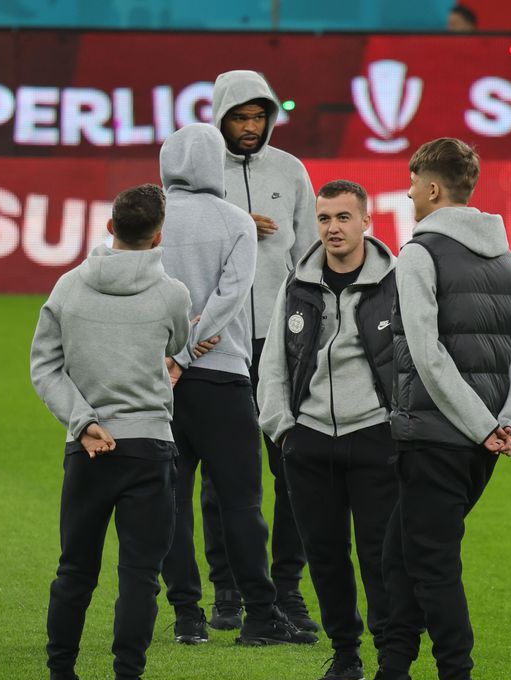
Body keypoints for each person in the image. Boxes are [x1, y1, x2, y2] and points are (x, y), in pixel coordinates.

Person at [344, 138, 511, 680]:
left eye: (412, 184)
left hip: (435, 436)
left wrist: (485, 428)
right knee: (397, 557)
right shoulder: (507, 260)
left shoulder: (419, 255)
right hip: (477, 445)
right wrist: (505, 425)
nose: (407, 194)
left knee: (429, 567)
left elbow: (427, 357)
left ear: (433, 189)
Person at [30, 185, 193, 680]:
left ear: (109, 227)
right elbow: (174, 346)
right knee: (140, 576)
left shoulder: (68, 288)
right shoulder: (172, 294)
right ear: (159, 235)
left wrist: (84, 422)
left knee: (74, 570)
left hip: (89, 448)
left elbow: (45, 368)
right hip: (149, 446)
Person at [156, 122, 317, 647]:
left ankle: (187, 615)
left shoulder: (148, 215)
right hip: (221, 374)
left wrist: (169, 354)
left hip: (158, 378)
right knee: (242, 500)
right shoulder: (234, 222)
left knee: (172, 499)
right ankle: (261, 615)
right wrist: (192, 346)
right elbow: (230, 297)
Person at [257, 180, 397, 680]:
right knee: (326, 557)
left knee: (382, 559)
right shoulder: (296, 285)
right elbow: (272, 363)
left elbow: (415, 362)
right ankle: (345, 655)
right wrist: (283, 430)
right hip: (309, 440)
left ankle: (389, 659)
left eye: (343, 217)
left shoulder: (397, 282)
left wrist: (397, 425)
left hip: (376, 437)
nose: (333, 228)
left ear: (366, 222)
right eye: (324, 219)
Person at [199, 69, 319, 634]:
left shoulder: (290, 169)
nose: (250, 128)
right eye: (239, 117)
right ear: (220, 115)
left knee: (292, 464)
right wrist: (237, 225)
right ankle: (227, 589)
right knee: (223, 474)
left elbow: (312, 251)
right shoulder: (197, 170)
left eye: (259, 117)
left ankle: (287, 589)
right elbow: (175, 234)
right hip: (217, 342)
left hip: (282, 340)